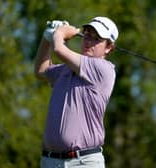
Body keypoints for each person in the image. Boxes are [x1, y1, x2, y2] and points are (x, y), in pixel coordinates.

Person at [34, 16, 119, 168]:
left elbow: (59, 49)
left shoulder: (104, 69)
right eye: (86, 35)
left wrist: (59, 34)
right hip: (50, 161)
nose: (88, 41)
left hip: (83, 162)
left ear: (109, 47)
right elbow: (41, 71)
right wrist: (47, 37)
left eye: (96, 38)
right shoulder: (67, 69)